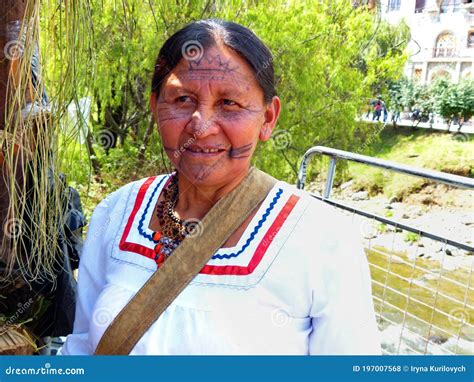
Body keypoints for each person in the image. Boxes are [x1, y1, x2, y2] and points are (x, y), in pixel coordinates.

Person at [58, 19, 381, 355]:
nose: (201, 126)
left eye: (229, 103)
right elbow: (82, 349)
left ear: (268, 118)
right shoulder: (117, 212)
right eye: (182, 99)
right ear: (155, 107)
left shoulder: (322, 237)